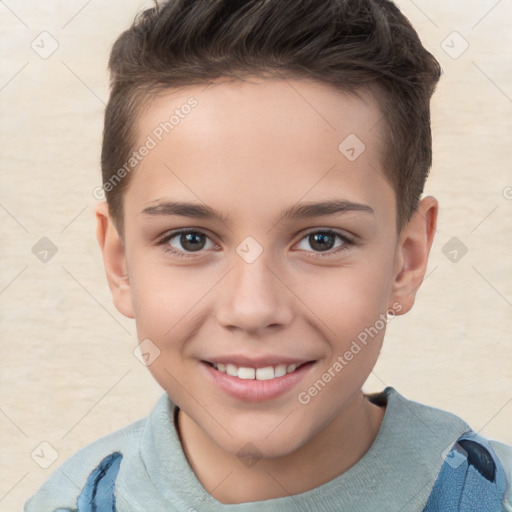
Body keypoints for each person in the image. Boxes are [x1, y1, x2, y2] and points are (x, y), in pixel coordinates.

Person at [25, 0, 512, 510]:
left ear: (405, 261)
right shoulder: (69, 500)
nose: (252, 309)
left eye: (322, 240)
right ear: (120, 263)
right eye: (190, 239)